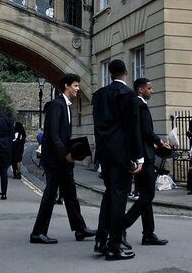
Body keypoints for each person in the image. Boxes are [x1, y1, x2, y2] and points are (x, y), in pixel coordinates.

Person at [30, 73, 96, 244]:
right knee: (50, 195)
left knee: (71, 195)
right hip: (55, 159)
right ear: (66, 86)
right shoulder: (56, 105)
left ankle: (80, 229)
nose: (78, 88)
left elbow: (63, 135)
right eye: (75, 85)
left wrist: (72, 151)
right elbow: (52, 135)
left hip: (64, 160)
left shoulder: (66, 106)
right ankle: (37, 233)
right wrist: (65, 154)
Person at [92, 59, 143, 261]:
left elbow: (97, 127)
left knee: (109, 196)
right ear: (125, 73)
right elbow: (133, 128)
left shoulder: (100, 95)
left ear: (111, 73)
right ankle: (114, 246)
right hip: (122, 153)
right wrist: (138, 156)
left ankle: (100, 240)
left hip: (105, 153)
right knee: (118, 199)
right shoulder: (129, 95)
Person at [123, 78, 169, 246]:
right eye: (149, 88)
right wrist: (159, 141)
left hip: (143, 154)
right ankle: (122, 225)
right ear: (141, 90)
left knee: (145, 196)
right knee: (148, 195)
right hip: (145, 157)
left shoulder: (139, 104)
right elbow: (145, 131)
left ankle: (148, 234)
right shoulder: (139, 105)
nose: (152, 91)